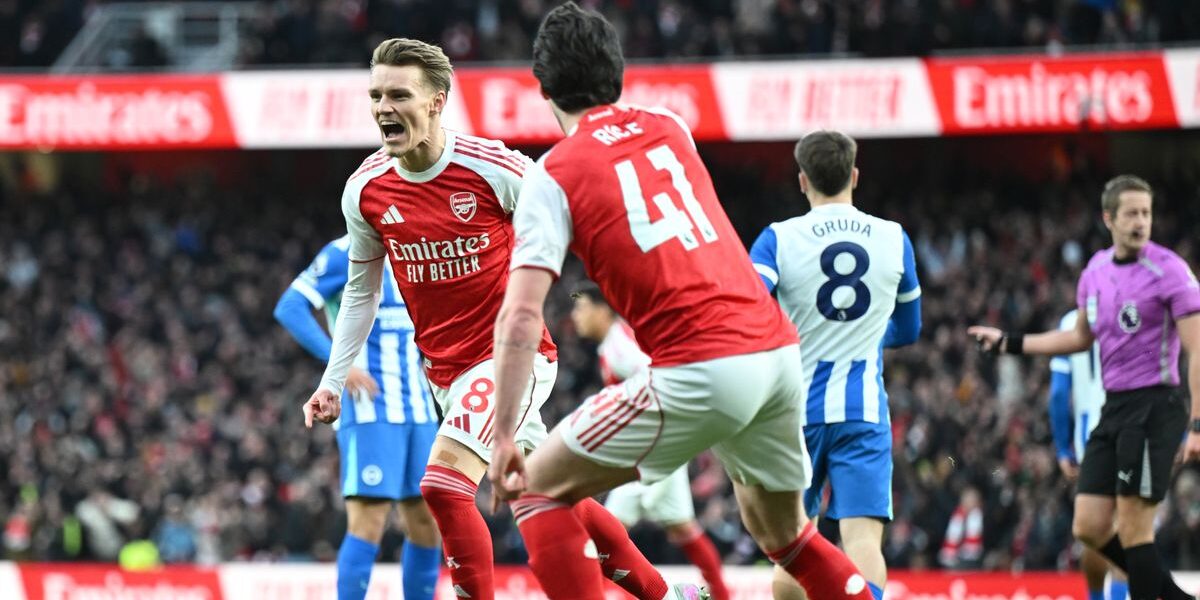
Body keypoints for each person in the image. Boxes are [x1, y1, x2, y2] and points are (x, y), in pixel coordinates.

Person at [486, 4, 875, 600]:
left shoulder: (553, 174)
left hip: (702, 365)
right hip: (775, 353)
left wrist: (504, 435)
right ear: (617, 72)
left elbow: (519, 316)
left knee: (535, 488)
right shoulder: (670, 125)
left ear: (544, 88)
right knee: (786, 537)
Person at [301, 37, 685, 600]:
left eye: (399, 95)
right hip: (444, 373)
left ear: (436, 101)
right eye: (376, 95)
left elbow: (574, 218)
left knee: (443, 485)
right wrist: (333, 381)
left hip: (511, 358)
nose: (383, 107)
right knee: (548, 490)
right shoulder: (365, 190)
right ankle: (666, 595)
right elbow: (361, 293)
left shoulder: (493, 167)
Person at [969, 174, 1200, 600]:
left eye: (1146, 213)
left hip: (1156, 408)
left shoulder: (1170, 271)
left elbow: (1197, 348)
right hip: (1114, 409)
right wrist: (1009, 343)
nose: (1141, 221)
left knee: (1133, 530)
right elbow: (1079, 337)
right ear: (1108, 218)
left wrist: (1198, 424)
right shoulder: (1095, 272)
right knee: (1088, 526)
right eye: (1131, 213)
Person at [747, 130, 921, 600]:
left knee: (794, 545)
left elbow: (750, 308)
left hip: (793, 412)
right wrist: (865, 336)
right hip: (862, 411)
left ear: (802, 180)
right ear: (854, 175)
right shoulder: (894, 238)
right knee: (862, 541)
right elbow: (909, 329)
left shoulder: (778, 239)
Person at [275, 236, 441, 600]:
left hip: (419, 407)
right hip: (369, 409)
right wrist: (338, 364)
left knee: (428, 521)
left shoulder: (417, 246)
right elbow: (290, 306)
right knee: (370, 519)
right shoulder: (343, 252)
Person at [570, 282, 731, 600]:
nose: (576, 315)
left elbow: (658, 382)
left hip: (648, 452)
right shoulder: (614, 343)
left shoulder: (620, 347)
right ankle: (719, 594)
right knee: (681, 527)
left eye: (581, 307)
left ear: (602, 310)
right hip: (659, 448)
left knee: (606, 533)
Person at [1048, 309, 1128, 600]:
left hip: (1089, 441)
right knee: (1124, 529)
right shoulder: (1131, 311)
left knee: (1094, 534)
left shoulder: (1070, 321)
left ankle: (1095, 597)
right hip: (1129, 430)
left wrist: (1063, 447)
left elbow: (1058, 394)